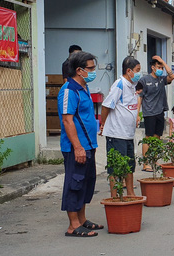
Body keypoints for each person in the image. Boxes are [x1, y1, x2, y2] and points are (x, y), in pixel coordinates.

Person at [58, 51, 101, 237]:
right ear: (79, 70)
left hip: (89, 145)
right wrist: (77, 147)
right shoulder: (69, 90)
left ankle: (82, 220)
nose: (93, 72)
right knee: (74, 183)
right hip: (77, 147)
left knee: (86, 183)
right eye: (90, 68)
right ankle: (73, 225)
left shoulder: (84, 88)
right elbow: (68, 121)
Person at [100, 56, 141, 198]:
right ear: (128, 71)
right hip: (117, 134)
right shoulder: (120, 84)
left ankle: (130, 193)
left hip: (128, 133)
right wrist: (103, 124)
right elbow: (106, 105)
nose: (138, 73)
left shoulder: (132, 86)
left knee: (129, 165)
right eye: (137, 70)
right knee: (116, 166)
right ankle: (115, 196)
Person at [137, 55, 174, 171]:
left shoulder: (161, 79)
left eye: (161, 68)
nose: (161, 69)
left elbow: (171, 76)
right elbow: (140, 97)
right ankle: (145, 163)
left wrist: (163, 61)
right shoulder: (144, 80)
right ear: (153, 68)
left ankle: (154, 160)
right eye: (158, 67)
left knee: (157, 137)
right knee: (148, 138)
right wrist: (138, 114)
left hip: (160, 112)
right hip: (149, 113)